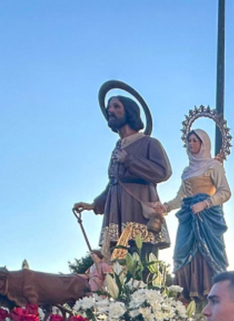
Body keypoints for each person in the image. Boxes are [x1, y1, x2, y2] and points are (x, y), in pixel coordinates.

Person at [74, 95, 173, 260]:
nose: (110, 111)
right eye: (109, 108)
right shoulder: (118, 147)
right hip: (116, 211)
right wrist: (94, 204)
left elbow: (163, 171)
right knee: (116, 261)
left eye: (116, 107)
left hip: (137, 210)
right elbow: (114, 181)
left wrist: (130, 160)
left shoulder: (149, 143)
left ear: (130, 112)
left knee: (139, 256)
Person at [154, 129, 232, 302]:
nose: (191, 144)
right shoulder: (187, 171)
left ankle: (208, 296)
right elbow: (181, 197)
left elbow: (225, 192)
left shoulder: (214, 166)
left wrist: (205, 203)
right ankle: (186, 298)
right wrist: (165, 207)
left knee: (206, 253)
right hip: (188, 218)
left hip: (207, 219)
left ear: (204, 143)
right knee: (182, 253)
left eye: (195, 141)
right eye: (189, 141)